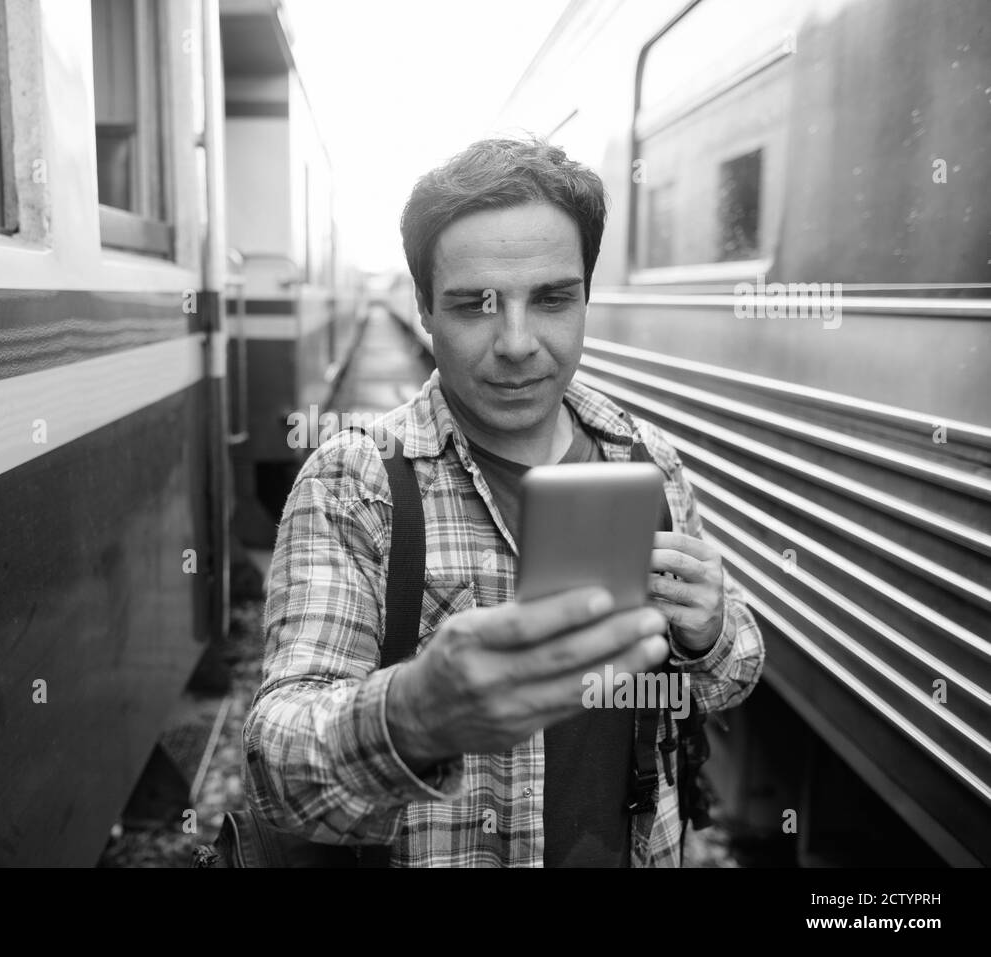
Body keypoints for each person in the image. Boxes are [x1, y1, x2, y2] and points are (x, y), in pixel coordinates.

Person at [242, 137, 765, 867]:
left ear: (587, 297)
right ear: (424, 307)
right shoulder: (354, 484)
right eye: (475, 305)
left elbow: (730, 674)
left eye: (552, 298)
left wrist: (710, 632)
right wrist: (414, 711)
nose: (518, 343)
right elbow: (277, 764)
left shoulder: (647, 460)